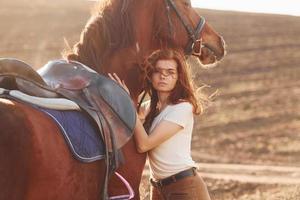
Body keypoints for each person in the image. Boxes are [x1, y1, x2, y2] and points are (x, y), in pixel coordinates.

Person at [109, 49, 211, 200]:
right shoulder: (148, 107)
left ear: (178, 77)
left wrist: (130, 107)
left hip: (184, 186)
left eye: (170, 72)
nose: (163, 76)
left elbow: (144, 144)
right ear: (151, 76)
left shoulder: (183, 108)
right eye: (158, 71)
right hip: (157, 188)